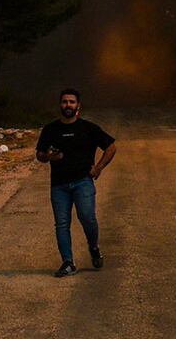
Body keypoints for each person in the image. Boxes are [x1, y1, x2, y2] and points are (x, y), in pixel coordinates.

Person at [34, 87, 116, 276]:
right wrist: (48, 156)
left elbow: (111, 147)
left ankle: (93, 247)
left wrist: (99, 168)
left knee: (87, 217)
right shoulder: (50, 129)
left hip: (83, 182)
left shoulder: (88, 128)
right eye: (64, 102)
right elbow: (39, 154)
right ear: (60, 105)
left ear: (78, 105)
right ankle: (68, 262)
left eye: (71, 102)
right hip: (59, 185)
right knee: (62, 224)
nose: (68, 105)